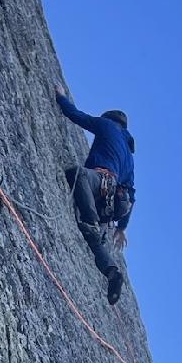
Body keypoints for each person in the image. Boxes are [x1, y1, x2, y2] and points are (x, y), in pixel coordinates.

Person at [54, 83, 135, 305]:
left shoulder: (106, 126)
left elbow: (76, 115)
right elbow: (132, 196)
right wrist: (122, 228)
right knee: (94, 237)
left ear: (110, 119)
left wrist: (61, 97)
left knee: (78, 174)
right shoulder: (129, 157)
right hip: (111, 201)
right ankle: (111, 271)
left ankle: (91, 223)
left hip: (98, 182)